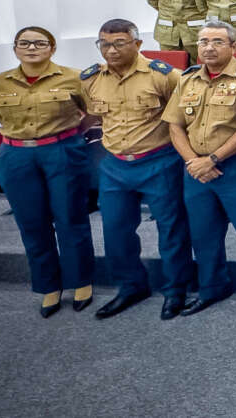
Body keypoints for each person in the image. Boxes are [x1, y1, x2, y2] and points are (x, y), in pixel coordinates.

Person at [162, 21, 236, 319]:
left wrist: (212, 160)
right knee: (203, 234)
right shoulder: (187, 79)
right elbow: (175, 126)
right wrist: (193, 161)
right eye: (203, 42)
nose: (209, 48)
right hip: (195, 169)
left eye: (217, 42)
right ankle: (212, 287)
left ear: (234, 47)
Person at [81, 19, 193, 320]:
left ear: (137, 43)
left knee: (171, 229)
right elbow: (91, 114)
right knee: (115, 230)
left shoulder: (164, 75)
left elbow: (188, 113)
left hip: (159, 161)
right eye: (104, 44)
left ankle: (176, 289)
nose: (111, 50)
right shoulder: (91, 79)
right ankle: (131, 286)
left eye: (119, 43)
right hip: (115, 165)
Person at [0, 27, 95, 317]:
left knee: (70, 217)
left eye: (39, 43)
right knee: (31, 222)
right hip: (16, 155)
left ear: (52, 48)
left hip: (61, 150)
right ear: (15, 48)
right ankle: (48, 286)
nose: (31, 48)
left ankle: (81, 281)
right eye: (24, 43)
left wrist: (70, 134)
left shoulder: (75, 77)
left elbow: (92, 112)